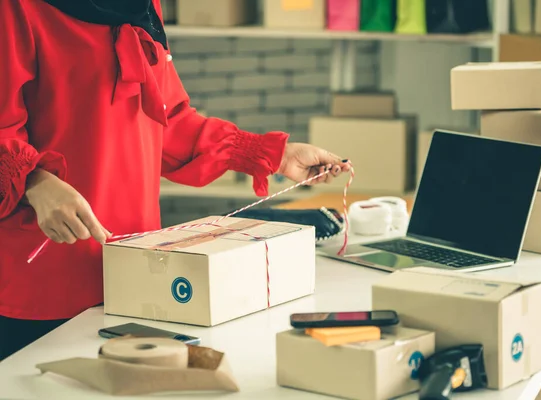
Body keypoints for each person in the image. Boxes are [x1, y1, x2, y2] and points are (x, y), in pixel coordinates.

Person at [0, 0, 350, 361]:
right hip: (44, 276)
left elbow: (169, 122)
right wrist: (36, 182)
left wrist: (272, 154)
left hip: (136, 267)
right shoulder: (18, 8)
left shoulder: (140, 6)